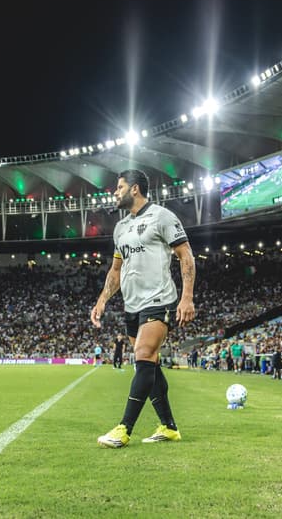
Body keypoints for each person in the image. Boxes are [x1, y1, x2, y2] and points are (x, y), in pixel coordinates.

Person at [91, 169, 196, 448]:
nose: (115, 193)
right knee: (150, 364)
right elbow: (116, 270)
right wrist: (102, 299)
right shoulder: (120, 227)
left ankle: (124, 429)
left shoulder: (162, 216)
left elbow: (185, 254)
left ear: (134, 189)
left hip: (159, 299)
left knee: (143, 355)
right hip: (132, 305)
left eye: (119, 187)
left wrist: (187, 297)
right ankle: (169, 427)